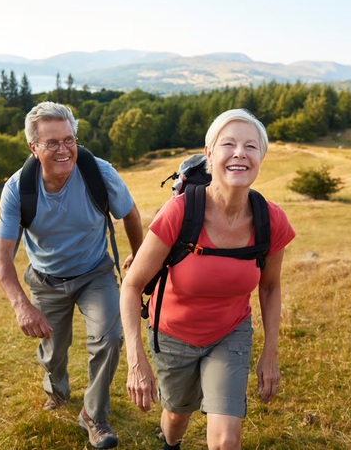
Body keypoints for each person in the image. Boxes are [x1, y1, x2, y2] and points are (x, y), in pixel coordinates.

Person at [120, 108, 296, 450]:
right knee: (176, 419)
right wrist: (135, 360)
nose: (240, 153)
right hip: (172, 334)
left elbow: (271, 287)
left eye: (251, 146)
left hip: (230, 333)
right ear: (210, 155)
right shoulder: (181, 212)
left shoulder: (271, 220)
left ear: (261, 157)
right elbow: (131, 285)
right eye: (228, 144)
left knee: (227, 439)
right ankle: (171, 443)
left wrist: (271, 352)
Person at [0, 101, 143, 449]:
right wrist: (21, 305)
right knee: (53, 351)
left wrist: (138, 256)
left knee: (110, 339)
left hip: (96, 273)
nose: (64, 150)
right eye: (52, 143)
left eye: (69, 139)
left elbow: (130, 214)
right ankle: (57, 389)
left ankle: (94, 415)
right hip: (46, 280)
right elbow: (1, 257)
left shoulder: (99, 172)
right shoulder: (18, 189)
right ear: (34, 147)